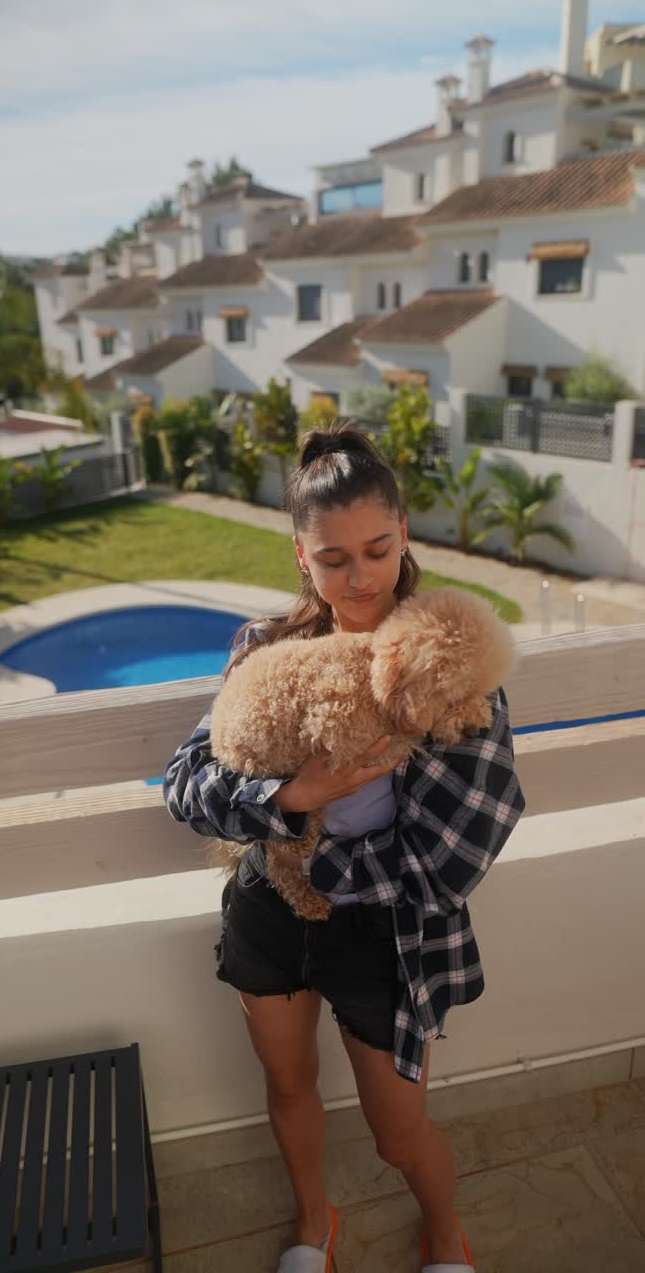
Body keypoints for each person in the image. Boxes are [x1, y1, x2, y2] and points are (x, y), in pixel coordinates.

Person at [163, 425, 525, 1273]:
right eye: (333, 558)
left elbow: (458, 851)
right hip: (269, 912)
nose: (358, 577)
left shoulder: (449, 663)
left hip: (388, 928)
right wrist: (289, 801)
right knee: (287, 1087)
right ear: (302, 556)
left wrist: (319, 864)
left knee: (399, 1133)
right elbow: (184, 785)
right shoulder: (264, 649)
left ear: (406, 535)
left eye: (376, 549)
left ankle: (442, 1232)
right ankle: (311, 1223)